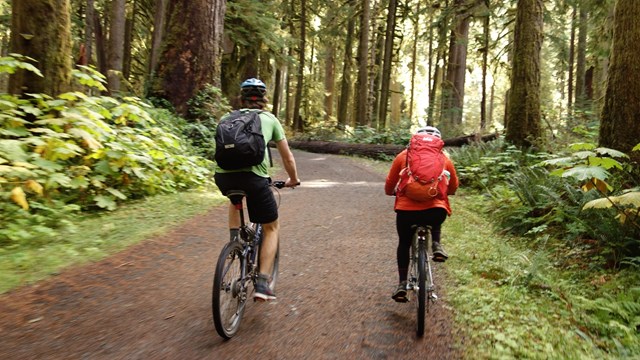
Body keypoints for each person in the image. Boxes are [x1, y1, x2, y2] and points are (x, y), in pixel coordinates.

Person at [214, 78, 301, 301]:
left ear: (241, 98)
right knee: (271, 227)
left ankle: (235, 242)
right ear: (264, 99)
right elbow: (287, 157)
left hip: (223, 177)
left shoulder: (226, 118)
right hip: (255, 179)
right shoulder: (269, 119)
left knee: (235, 197)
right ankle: (263, 282)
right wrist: (293, 179)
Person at [384, 126, 459, 303]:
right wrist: (447, 192)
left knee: (404, 243)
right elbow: (454, 185)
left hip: (406, 212)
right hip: (435, 213)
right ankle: (436, 244)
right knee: (437, 209)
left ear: (414, 140)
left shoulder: (404, 156)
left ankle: (402, 284)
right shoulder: (443, 158)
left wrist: (391, 192)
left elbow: (390, 183)